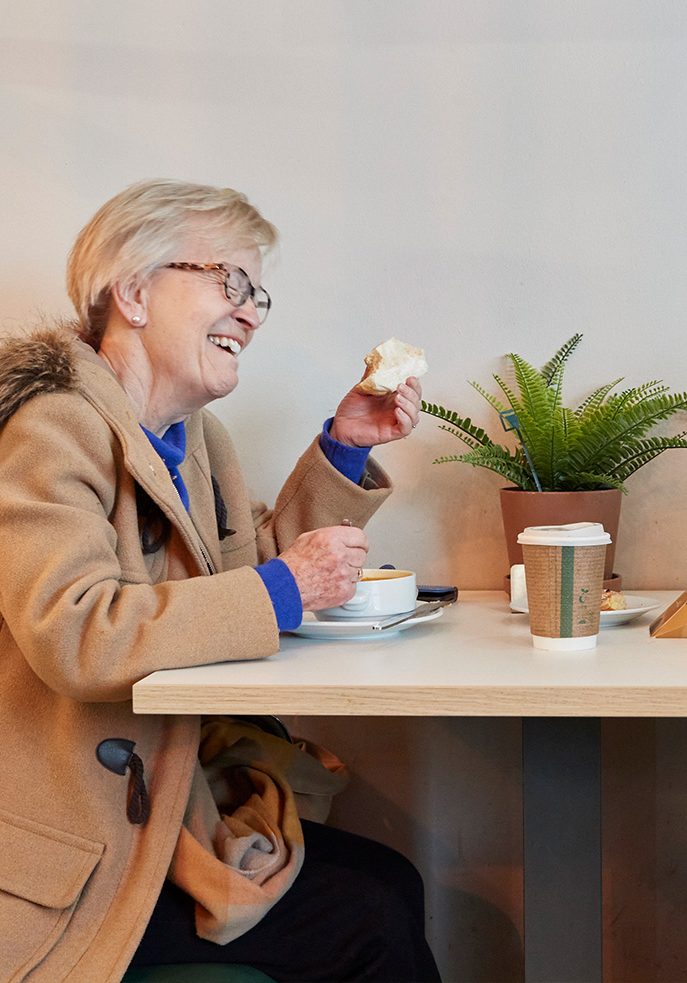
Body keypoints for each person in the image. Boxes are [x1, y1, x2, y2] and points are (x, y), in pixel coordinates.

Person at [0, 179, 440, 983]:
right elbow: (77, 633)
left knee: (393, 882)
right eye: (229, 283)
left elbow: (238, 579)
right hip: (71, 861)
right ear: (133, 292)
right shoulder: (51, 428)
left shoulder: (195, 438)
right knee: (369, 920)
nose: (251, 313)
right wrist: (282, 588)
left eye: (258, 294)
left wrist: (343, 448)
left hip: (162, 817)